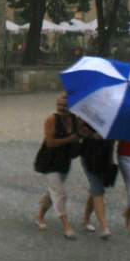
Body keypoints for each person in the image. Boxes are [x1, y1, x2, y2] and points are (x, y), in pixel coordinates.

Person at [34, 93, 82, 239]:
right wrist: (70, 139)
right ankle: (66, 226)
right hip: (49, 161)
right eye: (59, 105)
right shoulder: (52, 119)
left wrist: (82, 135)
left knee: (53, 191)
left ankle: (39, 216)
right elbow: (50, 143)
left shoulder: (75, 120)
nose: (61, 108)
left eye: (65, 106)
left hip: (64, 161)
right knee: (60, 193)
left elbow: (79, 136)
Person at [79, 122, 114, 239]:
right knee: (98, 190)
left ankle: (85, 218)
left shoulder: (115, 117)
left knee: (95, 189)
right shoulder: (89, 114)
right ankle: (104, 227)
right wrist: (91, 135)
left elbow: (114, 140)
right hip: (89, 157)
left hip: (104, 158)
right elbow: (78, 132)